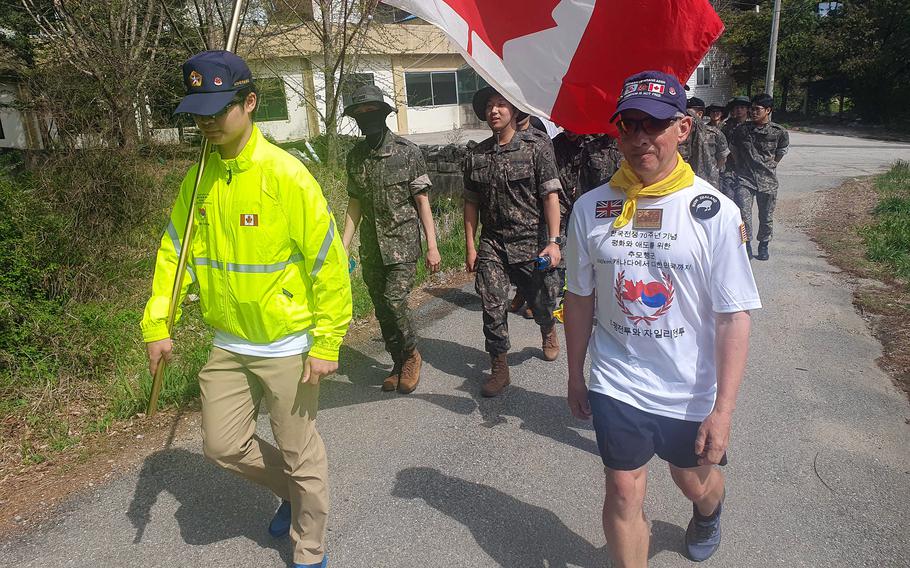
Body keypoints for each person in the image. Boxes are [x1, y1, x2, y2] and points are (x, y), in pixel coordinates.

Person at [142, 51, 351, 568]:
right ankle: (295, 491)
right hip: (229, 343)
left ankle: (309, 549)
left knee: (303, 453)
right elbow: (175, 254)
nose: (206, 122)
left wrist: (327, 341)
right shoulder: (197, 183)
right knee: (222, 446)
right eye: (198, 112)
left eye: (217, 109)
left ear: (249, 102)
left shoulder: (287, 175)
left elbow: (328, 262)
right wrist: (157, 322)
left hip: (286, 345)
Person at [564, 70, 761, 566]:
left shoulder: (713, 212)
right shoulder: (592, 208)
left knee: (690, 479)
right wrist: (574, 373)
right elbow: (580, 296)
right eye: (628, 125)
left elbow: (733, 317)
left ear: (683, 128)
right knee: (624, 491)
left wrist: (724, 412)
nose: (639, 138)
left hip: (689, 386)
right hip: (618, 378)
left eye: (653, 124)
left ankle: (710, 511)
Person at [464, 86, 564, 397]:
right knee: (492, 306)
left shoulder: (536, 148)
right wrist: (470, 246)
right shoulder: (476, 155)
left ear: (514, 111)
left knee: (541, 301)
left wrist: (554, 241)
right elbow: (470, 204)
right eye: (489, 107)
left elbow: (550, 195)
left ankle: (547, 329)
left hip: (530, 244)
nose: (494, 111)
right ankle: (499, 367)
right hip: (493, 244)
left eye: (501, 105)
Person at [341, 85, 440, 394]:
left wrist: (433, 246)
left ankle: (411, 355)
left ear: (384, 113)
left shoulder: (408, 152)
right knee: (381, 309)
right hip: (371, 249)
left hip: (403, 245)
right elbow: (354, 203)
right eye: (360, 113)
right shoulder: (355, 157)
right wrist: (343, 246)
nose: (366, 117)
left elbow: (423, 201)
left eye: (372, 111)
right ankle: (396, 361)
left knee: (394, 301)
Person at [730, 93, 790, 260]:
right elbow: (733, 149)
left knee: (766, 216)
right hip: (745, 179)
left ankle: (764, 244)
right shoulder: (741, 130)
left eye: (757, 109)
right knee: (743, 215)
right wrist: (742, 166)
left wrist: (770, 166)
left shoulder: (779, 132)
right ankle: (746, 244)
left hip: (768, 181)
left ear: (768, 110)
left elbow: (781, 152)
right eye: (752, 109)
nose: (753, 112)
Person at [719, 96, 750, 203]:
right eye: (737, 108)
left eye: (742, 107)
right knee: (728, 199)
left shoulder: (752, 126)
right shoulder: (726, 126)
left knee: (744, 203)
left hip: (747, 170)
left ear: (747, 109)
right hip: (729, 168)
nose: (739, 110)